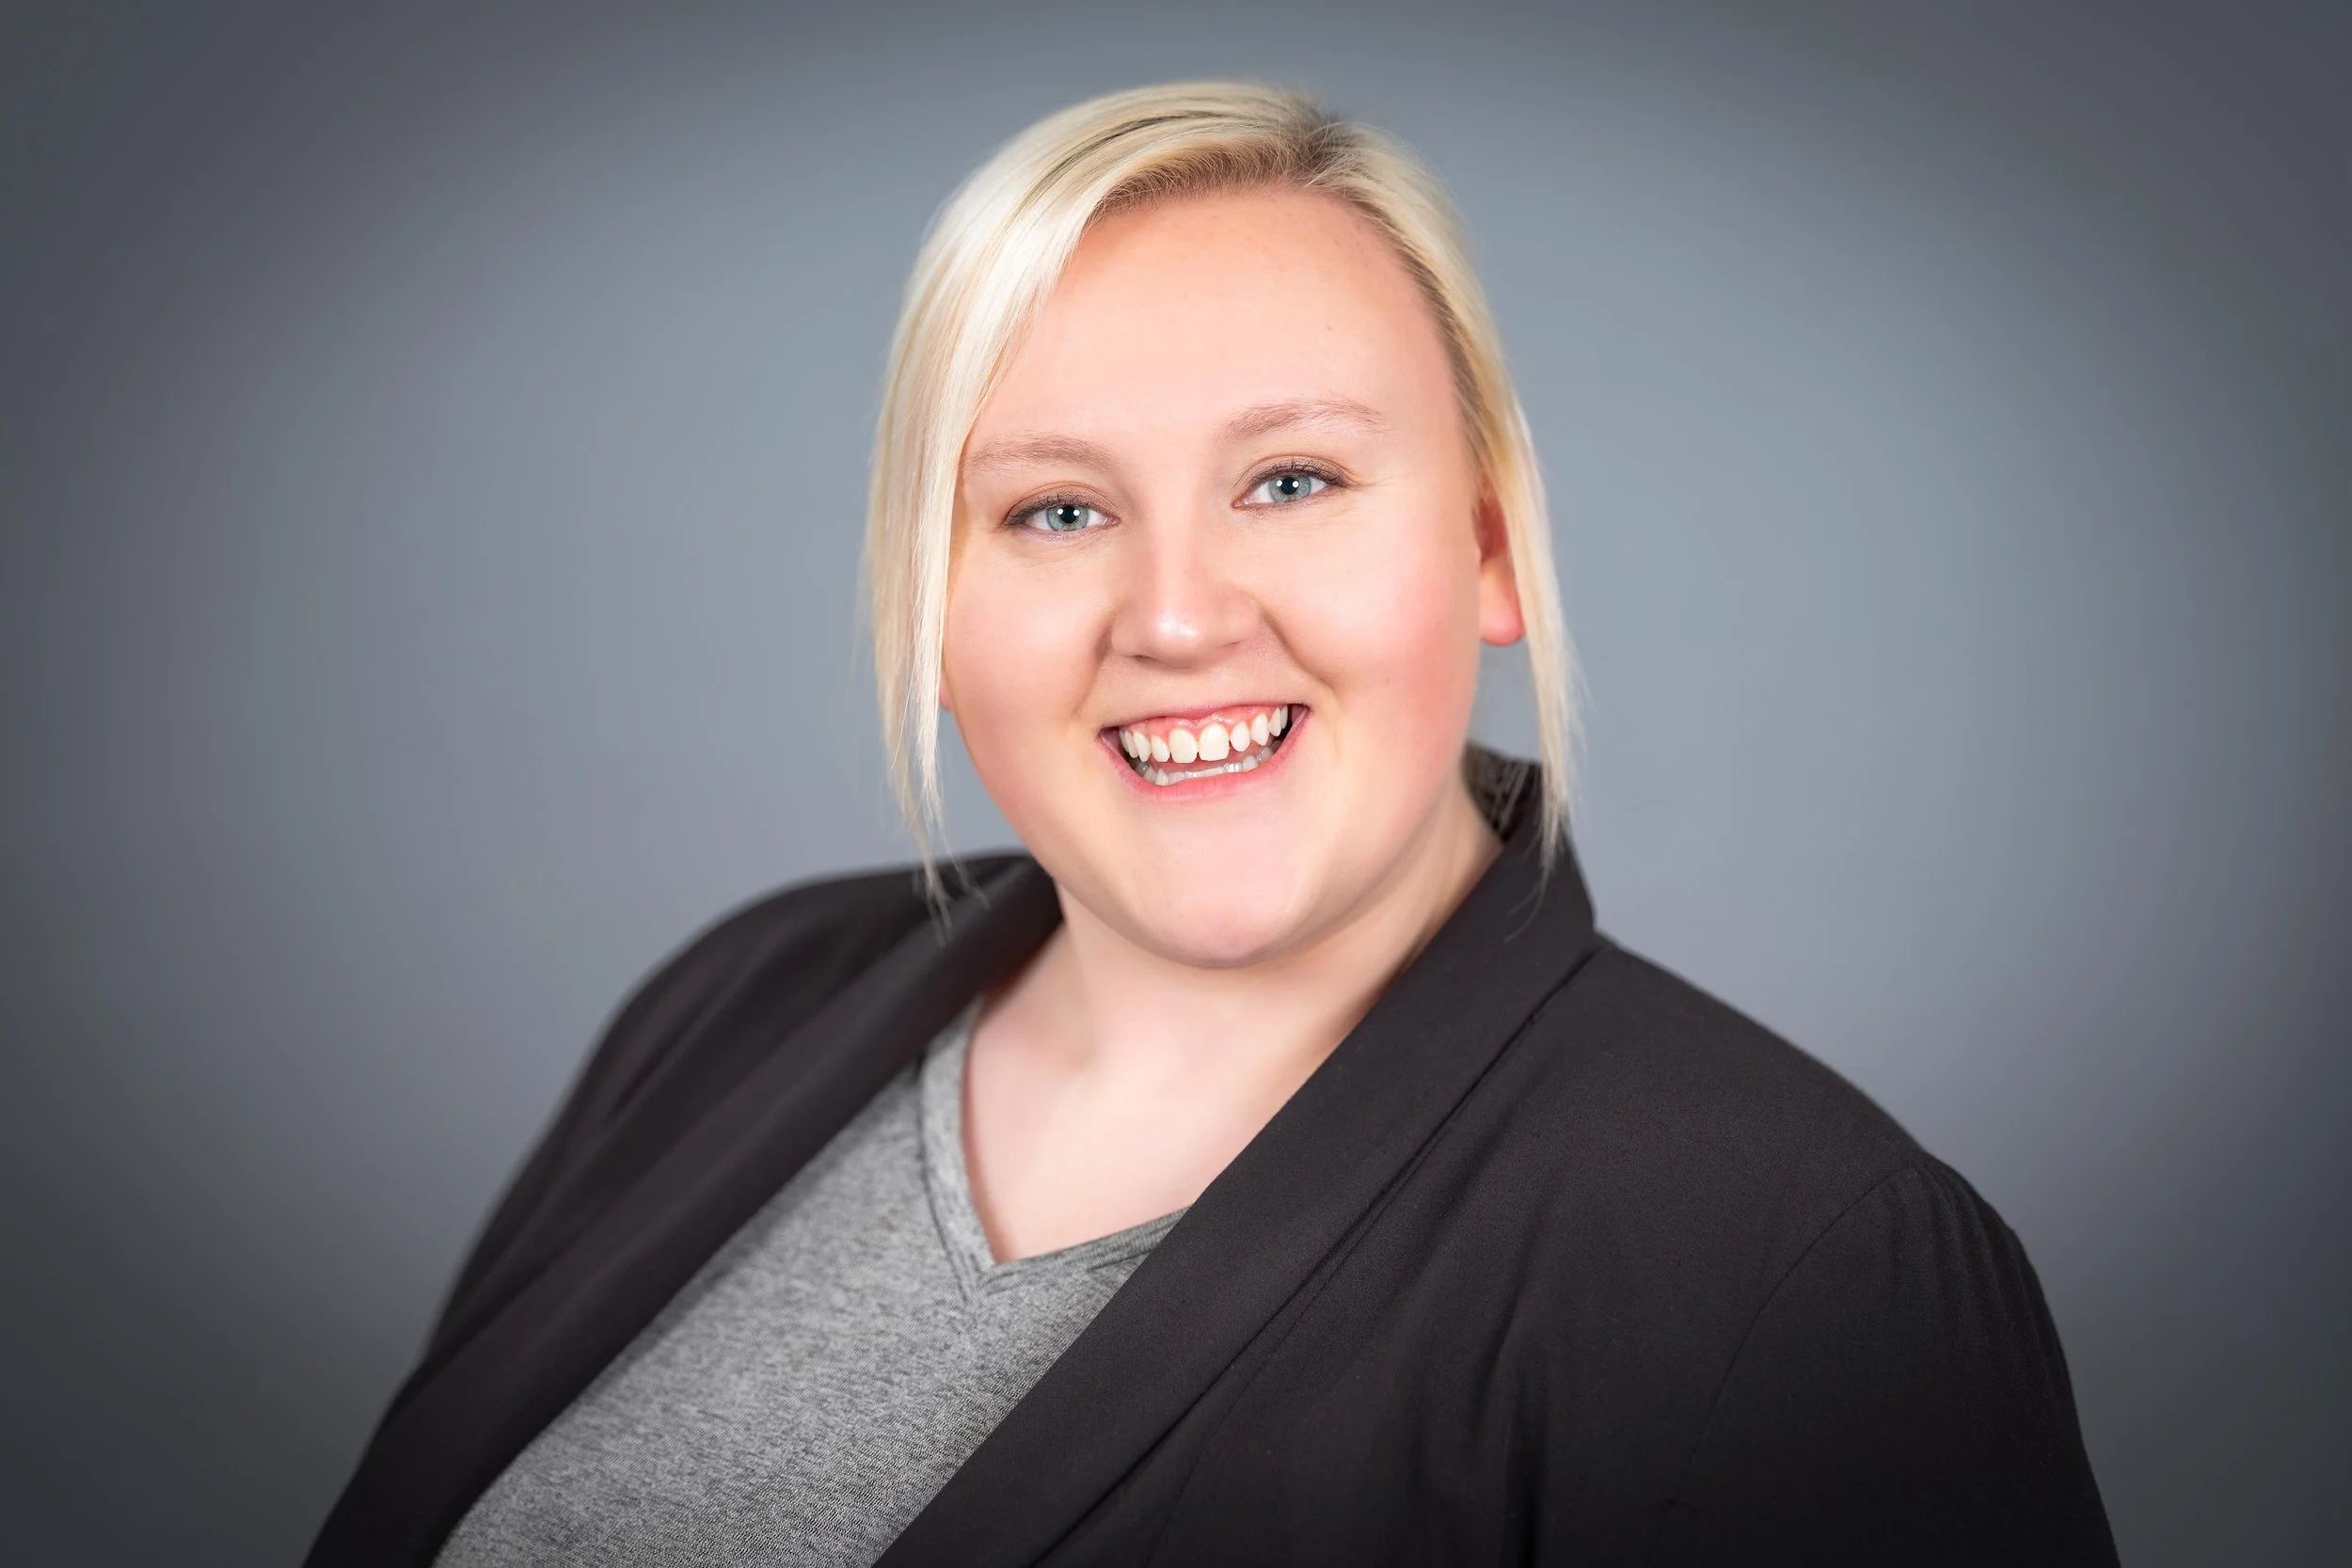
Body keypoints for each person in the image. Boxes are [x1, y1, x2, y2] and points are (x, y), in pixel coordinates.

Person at [309, 82, 2117, 1566]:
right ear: (932, 601)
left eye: (1293, 479)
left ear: (1487, 547)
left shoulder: (1804, 1265)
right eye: (1055, 511)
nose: (1176, 618)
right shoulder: (738, 1005)